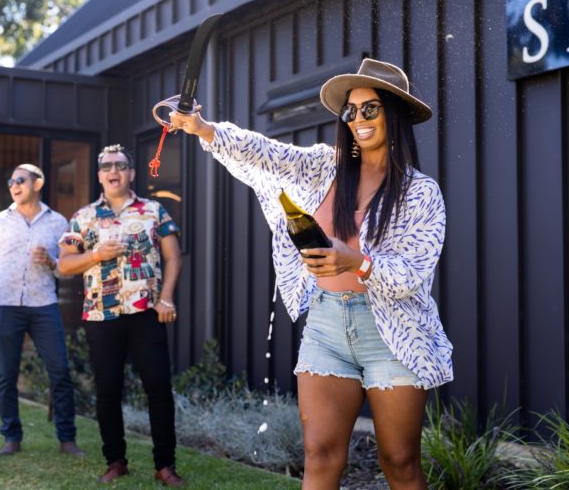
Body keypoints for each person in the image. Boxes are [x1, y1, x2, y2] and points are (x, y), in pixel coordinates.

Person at [170, 58, 452, 489]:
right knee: (319, 455)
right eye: (351, 111)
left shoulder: (420, 192)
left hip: (394, 334)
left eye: (370, 109)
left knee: (399, 461)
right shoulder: (323, 167)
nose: (358, 119)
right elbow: (266, 154)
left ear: (393, 113)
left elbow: (412, 275)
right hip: (326, 325)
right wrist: (206, 129)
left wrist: (356, 262)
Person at [58, 144, 184, 486]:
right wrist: (96, 255)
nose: (114, 171)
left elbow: (173, 257)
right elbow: (65, 264)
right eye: (107, 167)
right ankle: (115, 461)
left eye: (121, 165)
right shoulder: (82, 217)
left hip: (146, 312)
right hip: (102, 314)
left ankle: (165, 465)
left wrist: (167, 298)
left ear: (131, 173)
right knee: (108, 390)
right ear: (99, 175)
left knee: (158, 388)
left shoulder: (154, 210)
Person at [0, 163, 84, 457]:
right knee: (6, 374)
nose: (14, 186)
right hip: (5, 303)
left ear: (38, 183)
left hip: (43, 304)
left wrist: (51, 262)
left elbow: (66, 271)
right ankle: (11, 436)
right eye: (10, 182)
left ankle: (67, 438)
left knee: (60, 371)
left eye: (20, 180)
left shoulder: (58, 222)